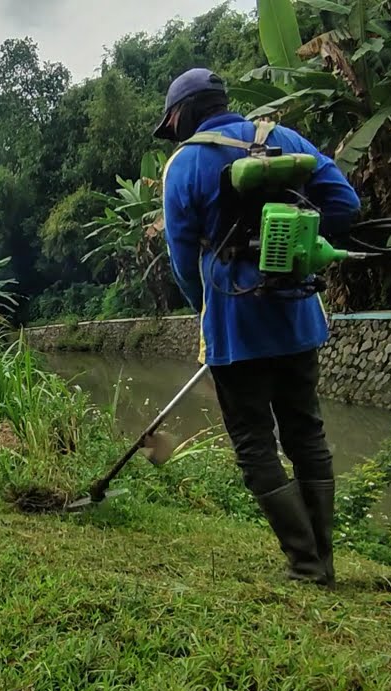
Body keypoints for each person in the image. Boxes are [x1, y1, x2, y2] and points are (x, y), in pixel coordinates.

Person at [154, 67, 362, 588]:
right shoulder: (284, 139)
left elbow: (183, 261)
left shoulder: (184, 165)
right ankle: (323, 561)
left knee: (254, 444)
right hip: (297, 317)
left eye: (171, 120)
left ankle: (306, 564)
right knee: (306, 434)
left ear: (183, 115)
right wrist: (298, 241)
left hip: (233, 326)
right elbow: (345, 206)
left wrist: (208, 306)